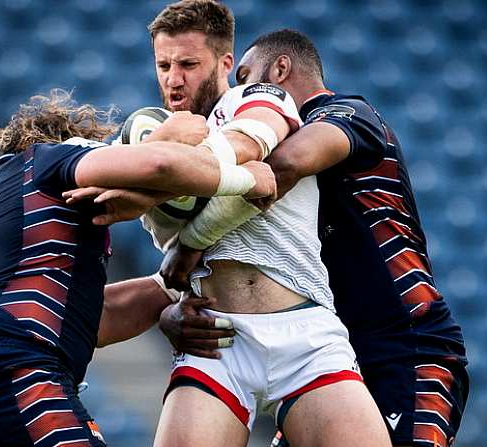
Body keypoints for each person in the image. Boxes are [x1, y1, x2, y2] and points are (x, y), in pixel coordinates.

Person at [69, 2, 391, 447]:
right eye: (163, 65)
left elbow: (249, 144)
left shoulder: (256, 98)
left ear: (224, 63)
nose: (173, 78)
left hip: (303, 334)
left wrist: (159, 180)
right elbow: (171, 255)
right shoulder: (151, 136)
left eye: (188, 64)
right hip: (215, 341)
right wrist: (168, 300)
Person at [157, 30, 470, 447]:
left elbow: (281, 168)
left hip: (406, 345)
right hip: (328, 347)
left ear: (280, 69)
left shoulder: (348, 113)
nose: (239, 96)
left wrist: (189, 242)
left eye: (246, 77)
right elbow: (243, 247)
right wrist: (172, 304)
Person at [0, 89, 277, 447]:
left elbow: (91, 318)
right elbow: (157, 164)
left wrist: (172, 284)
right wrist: (240, 178)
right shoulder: (46, 158)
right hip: (14, 377)